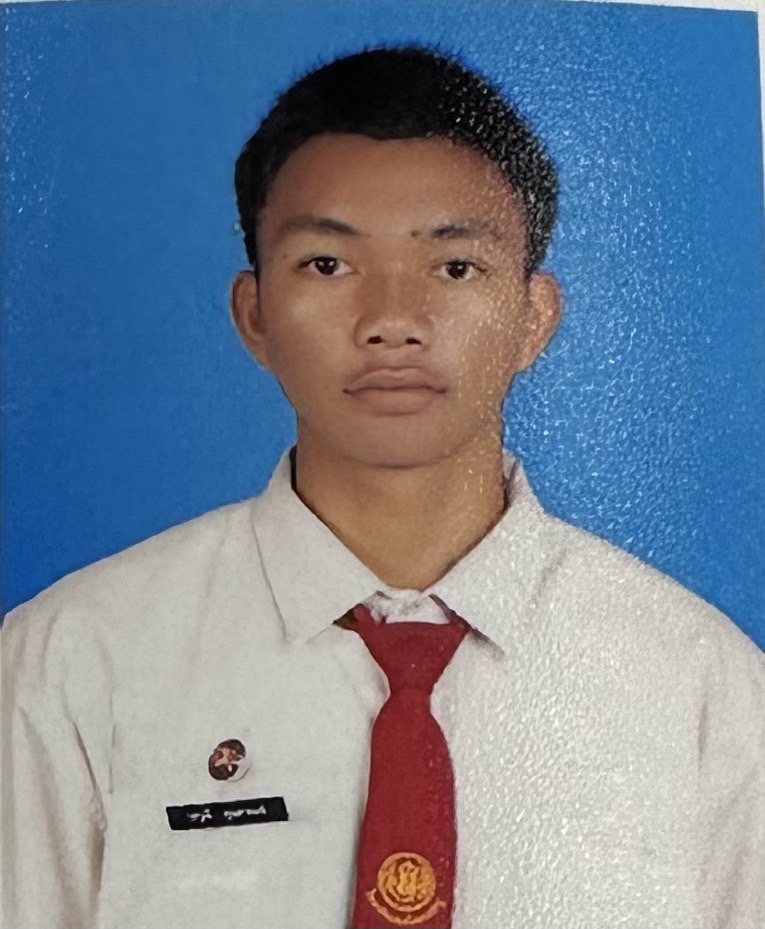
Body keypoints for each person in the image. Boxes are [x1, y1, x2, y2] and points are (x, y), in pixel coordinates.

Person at [1, 45, 763, 929]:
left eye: (455, 267)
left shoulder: (701, 684)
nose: (392, 321)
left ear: (533, 317)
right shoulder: (72, 660)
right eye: (328, 264)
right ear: (254, 314)